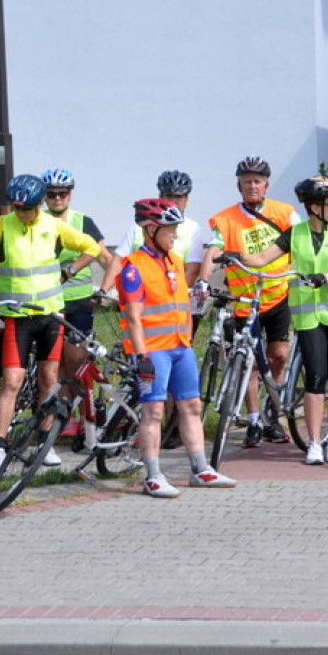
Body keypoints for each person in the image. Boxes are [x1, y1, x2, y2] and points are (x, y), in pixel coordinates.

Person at [0, 174, 100, 471]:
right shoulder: (3, 225)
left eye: (26, 208)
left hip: (50, 316)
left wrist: (69, 271)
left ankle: (44, 443)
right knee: (11, 382)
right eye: (16, 208)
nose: (21, 213)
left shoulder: (53, 226)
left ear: (38, 205)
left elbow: (91, 247)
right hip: (17, 318)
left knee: (48, 380)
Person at [222, 176, 328, 464]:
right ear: (314, 207)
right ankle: (314, 443)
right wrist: (234, 256)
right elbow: (262, 258)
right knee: (315, 377)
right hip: (309, 317)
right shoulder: (294, 233)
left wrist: (325, 277)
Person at [117, 198, 236, 496]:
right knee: (154, 411)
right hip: (152, 350)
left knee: (192, 406)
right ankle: (153, 476)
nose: (175, 234)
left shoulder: (173, 261)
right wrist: (141, 356)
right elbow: (133, 318)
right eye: (169, 229)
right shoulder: (133, 268)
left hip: (180, 346)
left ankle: (201, 469)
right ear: (151, 230)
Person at [197, 155, 302, 447]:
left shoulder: (285, 213)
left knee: (278, 356)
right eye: (247, 182)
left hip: (278, 294)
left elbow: (304, 240)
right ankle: (254, 419)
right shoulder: (226, 219)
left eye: (257, 181)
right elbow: (213, 250)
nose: (252, 186)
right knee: (250, 363)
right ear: (239, 186)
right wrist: (204, 279)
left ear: (266, 185)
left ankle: (273, 415)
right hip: (245, 300)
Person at [40, 168, 113, 435]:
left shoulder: (83, 221)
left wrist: (108, 289)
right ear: (44, 197)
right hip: (48, 301)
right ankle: (63, 416)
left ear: (70, 195)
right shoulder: (37, 221)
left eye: (62, 193)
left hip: (79, 302)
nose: (57, 198)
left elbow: (105, 259)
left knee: (76, 361)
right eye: (51, 194)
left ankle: (86, 417)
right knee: (54, 364)